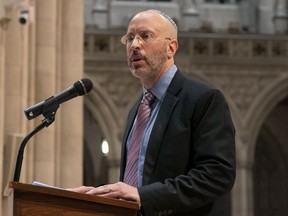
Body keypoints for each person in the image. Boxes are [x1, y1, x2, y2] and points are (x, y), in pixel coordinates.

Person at [69, 9, 236, 216]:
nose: (134, 45)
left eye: (145, 36)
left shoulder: (203, 99)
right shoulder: (137, 110)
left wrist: (145, 196)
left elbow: (217, 175)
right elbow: (137, 182)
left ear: (171, 48)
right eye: (129, 38)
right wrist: (95, 195)